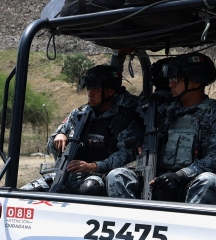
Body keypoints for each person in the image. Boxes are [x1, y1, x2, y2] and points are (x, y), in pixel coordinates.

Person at [107, 53, 216, 204]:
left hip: (189, 181)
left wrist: (181, 175)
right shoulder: (164, 111)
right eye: (170, 80)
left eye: (176, 80)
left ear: (195, 81)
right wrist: (136, 133)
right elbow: (120, 104)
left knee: (209, 181)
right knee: (116, 176)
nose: (170, 85)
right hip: (156, 177)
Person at [23, 65, 143, 195]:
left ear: (110, 91)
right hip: (65, 177)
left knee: (89, 188)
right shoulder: (78, 114)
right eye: (89, 89)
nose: (90, 93)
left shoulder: (124, 120)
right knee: (25, 193)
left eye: (96, 89)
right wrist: (59, 136)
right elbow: (51, 144)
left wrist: (93, 166)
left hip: (100, 178)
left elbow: (125, 154)